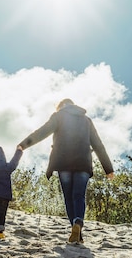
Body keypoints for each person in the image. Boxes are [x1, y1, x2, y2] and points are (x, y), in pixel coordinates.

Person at [18, 98, 114, 243]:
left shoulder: (58, 116)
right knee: (79, 195)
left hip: (63, 163)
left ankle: (76, 232)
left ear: (60, 106)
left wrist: (23, 145)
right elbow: (98, 144)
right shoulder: (86, 120)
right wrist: (108, 168)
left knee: (69, 197)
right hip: (83, 163)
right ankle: (78, 223)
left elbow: (42, 132)